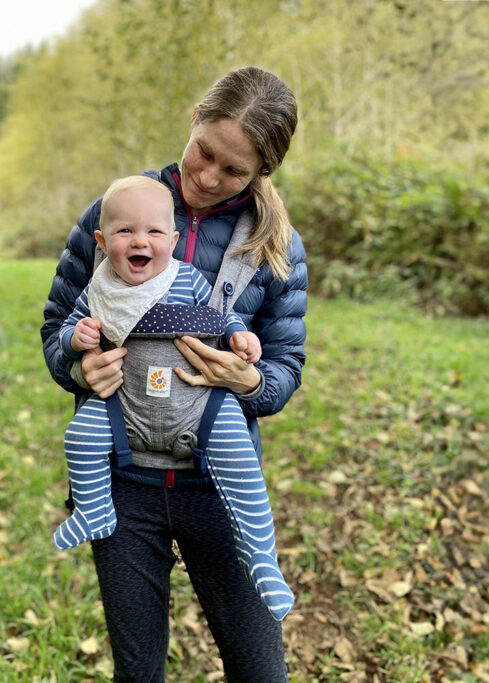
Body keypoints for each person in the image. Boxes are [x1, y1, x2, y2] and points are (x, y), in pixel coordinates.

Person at [41, 66, 305, 681]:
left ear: (263, 173)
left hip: (217, 486)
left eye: (234, 170)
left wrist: (249, 384)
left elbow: (285, 366)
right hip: (124, 483)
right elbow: (58, 325)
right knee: (138, 671)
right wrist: (79, 366)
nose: (209, 178)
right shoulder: (115, 209)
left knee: (260, 668)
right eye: (204, 152)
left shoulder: (275, 247)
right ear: (193, 119)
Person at [52, 175, 294, 623]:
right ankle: (94, 510)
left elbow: (225, 318)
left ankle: (263, 558)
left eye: (154, 233)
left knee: (239, 459)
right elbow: (63, 327)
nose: (140, 241)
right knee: (79, 437)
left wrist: (241, 338)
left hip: (201, 408)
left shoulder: (187, 280)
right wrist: (74, 343)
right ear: (102, 242)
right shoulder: (99, 287)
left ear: (174, 240)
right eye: (125, 232)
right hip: (123, 413)